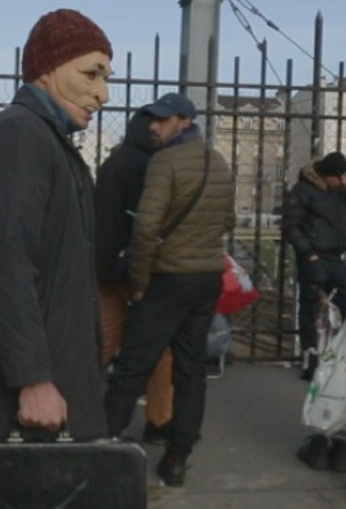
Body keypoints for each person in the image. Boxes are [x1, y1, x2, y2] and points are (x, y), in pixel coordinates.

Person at [0, 9, 113, 441]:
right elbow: (8, 262)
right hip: (19, 401)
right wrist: (33, 379)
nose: (102, 94)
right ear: (47, 70)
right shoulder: (18, 135)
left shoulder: (42, 139)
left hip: (48, 380)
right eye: (91, 74)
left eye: (105, 78)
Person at [103, 92, 235, 486]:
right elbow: (227, 219)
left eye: (160, 120)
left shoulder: (163, 163)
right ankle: (177, 457)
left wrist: (140, 282)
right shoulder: (219, 161)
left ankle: (105, 448)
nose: (152, 127)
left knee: (132, 367)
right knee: (191, 370)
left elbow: (145, 228)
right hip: (206, 277)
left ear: (182, 120)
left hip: (167, 278)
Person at [94, 111, 176, 444]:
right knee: (158, 347)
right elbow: (147, 223)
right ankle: (160, 419)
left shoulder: (111, 163)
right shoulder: (149, 168)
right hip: (134, 267)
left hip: (103, 265)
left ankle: (74, 407)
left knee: (101, 341)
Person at [283, 151, 346, 380]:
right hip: (314, 257)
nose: (342, 180)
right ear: (328, 176)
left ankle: (341, 357)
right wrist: (308, 252)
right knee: (311, 309)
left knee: (345, 307)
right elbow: (290, 225)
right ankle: (312, 359)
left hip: (335, 257)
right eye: (339, 177)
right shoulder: (304, 190)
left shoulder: (340, 192)